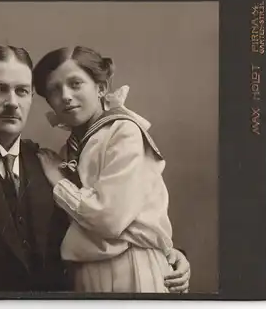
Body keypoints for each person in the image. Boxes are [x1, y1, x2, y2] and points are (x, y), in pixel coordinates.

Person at [0, 45, 190, 293]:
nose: (12, 103)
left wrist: (168, 253)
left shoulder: (48, 163)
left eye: (22, 91)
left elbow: (110, 218)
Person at [33, 46, 186, 293]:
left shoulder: (124, 132)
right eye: (54, 90)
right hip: (86, 273)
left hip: (130, 268)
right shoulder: (70, 149)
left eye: (75, 84)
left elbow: (110, 219)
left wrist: (58, 180)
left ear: (101, 88)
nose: (66, 96)